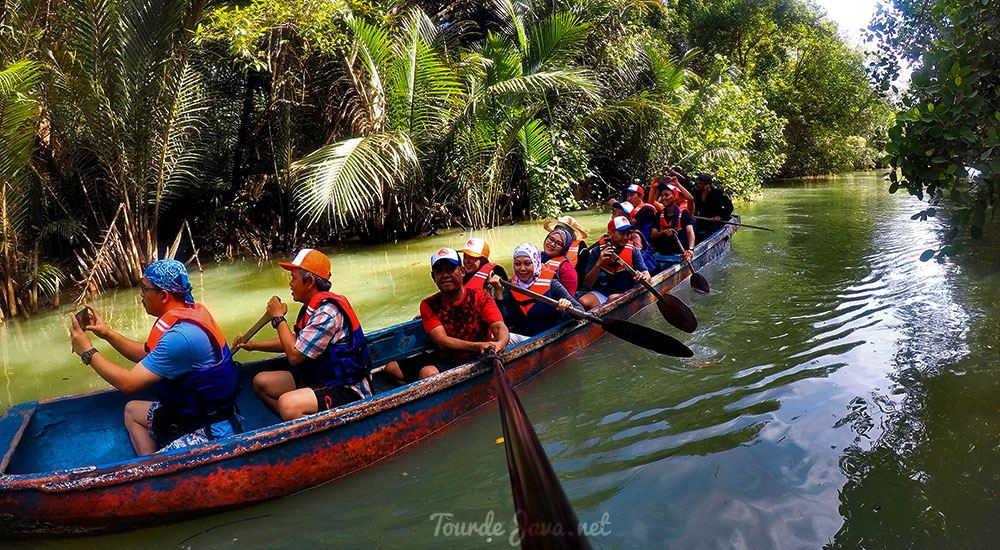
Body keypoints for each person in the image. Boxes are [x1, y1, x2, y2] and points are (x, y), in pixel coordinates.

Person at [69, 259, 241, 456]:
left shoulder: (181, 337)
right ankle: (148, 464)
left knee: (158, 463)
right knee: (132, 411)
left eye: (144, 288)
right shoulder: (187, 314)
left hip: (211, 430)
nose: (141, 295)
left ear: (164, 295)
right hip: (190, 413)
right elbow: (148, 355)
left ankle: (154, 472)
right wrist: (108, 334)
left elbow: (128, 384)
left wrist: (87, 352)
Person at [232, 249, 372, 421]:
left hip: (347, 388)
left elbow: (295, 356)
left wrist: (278, 318)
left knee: (287, 404)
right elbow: (296, 342)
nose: (290, 283)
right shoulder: (311, 308)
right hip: (320, 379)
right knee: (262, 383)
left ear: (310, 281)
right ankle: (298, 425)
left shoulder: (327, 313)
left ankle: (309, 431)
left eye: (294, 278)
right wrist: (253, 346)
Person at [384, 248, 510, 385]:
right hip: (448, 357)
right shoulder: (429, 304)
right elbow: (441, 341)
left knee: (427, 373)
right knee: (391, 369)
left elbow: (499, 326)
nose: (445, 275)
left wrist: (500, 344)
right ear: (434, 277)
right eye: (439, 271)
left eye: (450, 269)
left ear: (462, 272)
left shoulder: (480, 296)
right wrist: (478, 345)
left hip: (478, 356)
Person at [486, 243, 583, 345]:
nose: (522, 269)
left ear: (536, 263)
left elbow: (580, 311)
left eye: (527, 264)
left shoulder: (551, 284)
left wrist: (568, 305)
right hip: (523, 339)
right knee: (491, 336)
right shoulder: (511, 286)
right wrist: (498, 291)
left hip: (551, 337)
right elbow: (506, 322)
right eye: (517, 264)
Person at [578, 216, 652, 310]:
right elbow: (588, 284)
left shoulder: (633, 251)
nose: (625, 237)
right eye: (621, 233)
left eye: (628, 233)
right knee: (583, 301)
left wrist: (643, 277)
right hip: (602, 293)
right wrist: (599, 263)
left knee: (612, 299)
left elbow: (647, 275)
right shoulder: (597, 251)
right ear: (610, 233)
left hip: (625, 292)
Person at [540, 216, 589, 296]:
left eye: (559, 243)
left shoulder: (581, 252)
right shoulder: (539, 256)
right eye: (551, 239)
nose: (553, 244)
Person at [650, 182, 696, 262]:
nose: (663, 198)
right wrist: (663, 232)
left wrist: (691, 249)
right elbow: (653, 235)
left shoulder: (684, 213)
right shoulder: (659, 214)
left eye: (667, 195)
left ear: (675, 197)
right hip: (663, 254)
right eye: (662, 196)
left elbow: (690, 232)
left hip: (680, 253)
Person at [692, 173, 734, 240]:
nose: (698, 185)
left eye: (700, 183)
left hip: (716, 221)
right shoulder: (697, 193)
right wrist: (704, 195)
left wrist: (720, 216)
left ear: (706, 185)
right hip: (703, 220)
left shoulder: (718, 193)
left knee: (712, 229)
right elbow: (698, 208)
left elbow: (729, 207)